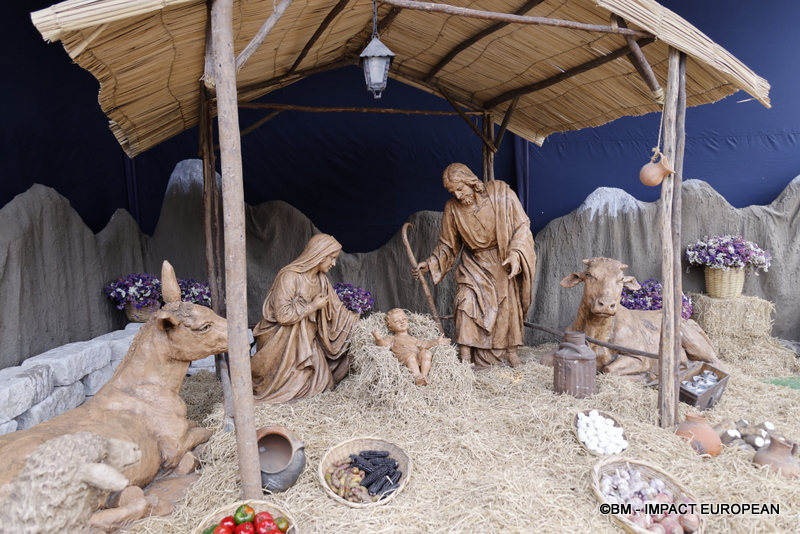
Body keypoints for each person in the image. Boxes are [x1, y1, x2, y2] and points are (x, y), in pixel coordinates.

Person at [415, 163, 536, 368]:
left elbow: (521, 226)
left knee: (506, 306)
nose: (458, 195)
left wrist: (515, 253)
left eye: (460, 189)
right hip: (473, 264)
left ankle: (511, 352)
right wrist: (431, 263)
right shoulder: (452, 208)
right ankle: (465, 358)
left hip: (501, 260)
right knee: (465, 303)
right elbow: (448, 244)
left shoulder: (501, 195)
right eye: (452, 191)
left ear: (470, 182)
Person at [251, 233, 360, 403]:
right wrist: (312, 307)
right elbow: (282, 315)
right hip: (282, 343)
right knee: (292, 388)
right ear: (319, 254)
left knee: (323, 385)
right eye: (331, 258)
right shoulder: (289, 276)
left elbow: (337, 310)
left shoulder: (321, 279)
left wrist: (357, 322)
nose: (333, 263)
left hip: (308, 341)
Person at [372, 308, 450, 385]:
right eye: (397, 321)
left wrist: (437, 342)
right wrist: (379, 339)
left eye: (404, 319)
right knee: (411, 356)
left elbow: (425, 344)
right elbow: (384, 346)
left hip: (417, 356)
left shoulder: (412, 338)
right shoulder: (392, 338)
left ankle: (423, 375)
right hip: (406, 358)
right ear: (390, 327)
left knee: (426, 353)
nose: (402, 322)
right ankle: (417, 377)